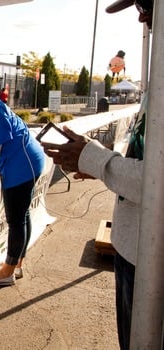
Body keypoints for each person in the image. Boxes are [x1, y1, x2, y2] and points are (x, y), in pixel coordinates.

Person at [41, 1, 153, 349]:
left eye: (148, 5)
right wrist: (98, 164)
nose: (142, 17)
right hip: (133, 247)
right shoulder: (157, 82)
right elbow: (147, 163)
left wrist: (96, 160)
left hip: (148, 257)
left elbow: (156, 184)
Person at [0, 94, 45, 286]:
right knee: (22, 216)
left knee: (15, 219)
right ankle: (17, 263)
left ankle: (8, 270)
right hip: (23, 160)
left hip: (21, 165)